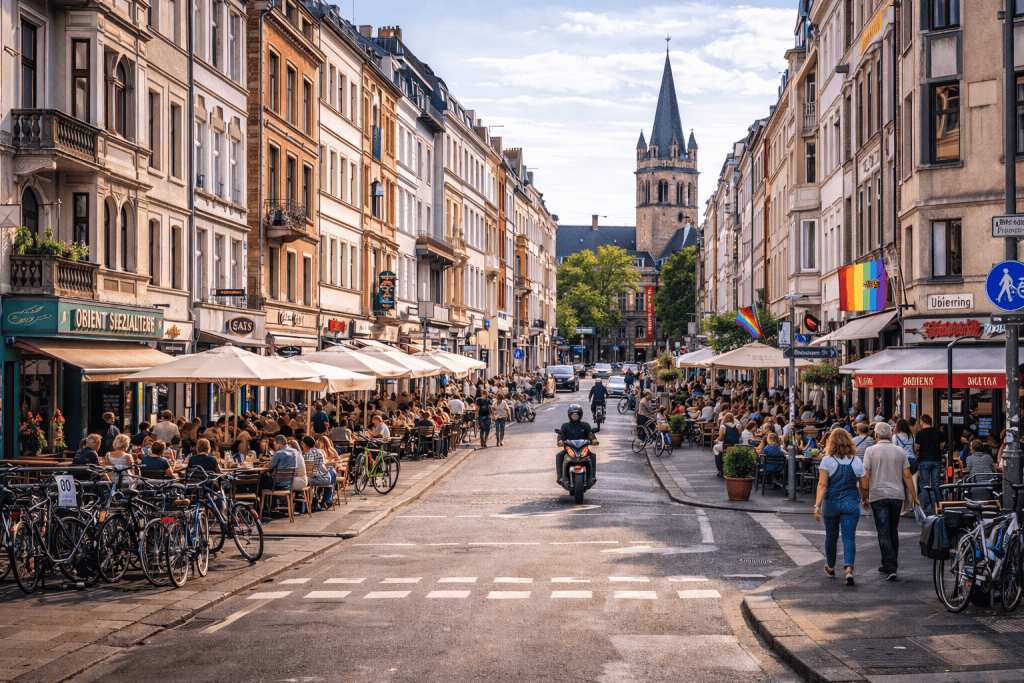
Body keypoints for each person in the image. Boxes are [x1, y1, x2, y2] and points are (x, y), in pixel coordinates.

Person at [863, 422, 919, 581]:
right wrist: (914, 496)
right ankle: (886, 563)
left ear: (876, 435)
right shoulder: (900, 451)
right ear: (890, 434)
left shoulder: (870, 451)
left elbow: (865, 476)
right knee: (892, 530)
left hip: (878, 495)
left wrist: (864, 497)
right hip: (896, 495)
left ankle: (891, 566)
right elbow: (907, 476)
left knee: (883, 531)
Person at [814, 428, 869, 586]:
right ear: (849, 441)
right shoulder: (856, 461)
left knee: (831, 537)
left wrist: (817, 505)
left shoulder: (827, 460)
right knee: (849, 537)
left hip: (831, 503)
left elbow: (822, 484)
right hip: (851, 504)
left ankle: (831, 567)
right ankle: (849, 569)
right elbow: (864, 484)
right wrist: (864, 498)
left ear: (831, 442)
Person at [556, 404, 596, 486]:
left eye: (576, 415)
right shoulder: (565, 426)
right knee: (559, 455)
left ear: (580, 415)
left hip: (583, 450)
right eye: (573, 415)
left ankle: (591, 478)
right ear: (569, 416)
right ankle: (560, 477)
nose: (575, 417)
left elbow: (590, 435)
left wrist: (593, 440)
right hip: (569, 450)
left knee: (592, 455)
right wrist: (560, 441)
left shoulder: (585, 425)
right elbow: (561, 434)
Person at [915, 414, 946, 515]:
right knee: (936, 483)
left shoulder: (920, 433)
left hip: (924, 460)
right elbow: (942, 445)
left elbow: (916, 447)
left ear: (922, 422)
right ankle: (938, 503)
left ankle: (927, 505)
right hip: (936, 459)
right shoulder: (938, 432)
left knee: (924, 484)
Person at [301, 435, 336, 509]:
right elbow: (322, 469)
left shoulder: (306, 455)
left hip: (318, 480)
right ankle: (327, 499)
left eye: (302, 443)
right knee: (331, 470)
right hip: (327, 479)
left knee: (305, 480)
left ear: (305, 445)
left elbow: (310, 473)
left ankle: (307, 504)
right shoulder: (320, 452)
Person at [713, 413, 741, 478]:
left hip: (726, 446)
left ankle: (720, 470)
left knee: (715, 449)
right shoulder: (738, 425)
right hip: (736, 446)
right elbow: (739, 435)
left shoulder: (723, 426)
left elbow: (720, 438)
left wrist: (717, 440)